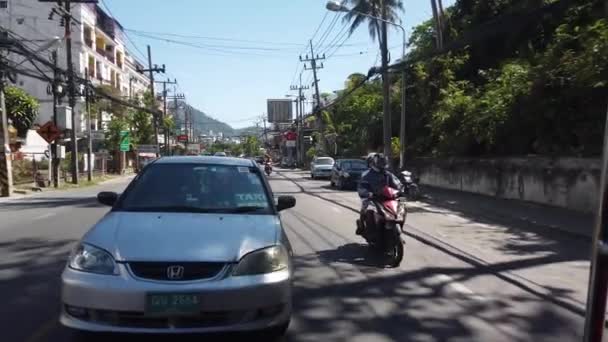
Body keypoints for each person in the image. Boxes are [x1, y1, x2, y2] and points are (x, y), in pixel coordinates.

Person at [357, 153, 402, 235]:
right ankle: (363, 227)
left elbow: (397, 183)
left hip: (387, 199)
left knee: (401, 208)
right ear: (375, 163)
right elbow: (361, 187)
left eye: (383, 162)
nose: (382, 165)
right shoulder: (367, 175)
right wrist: (367, 193)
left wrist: (400, 189)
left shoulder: (387, 174)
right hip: (374, 199)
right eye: (380, 163)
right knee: (368, 210)